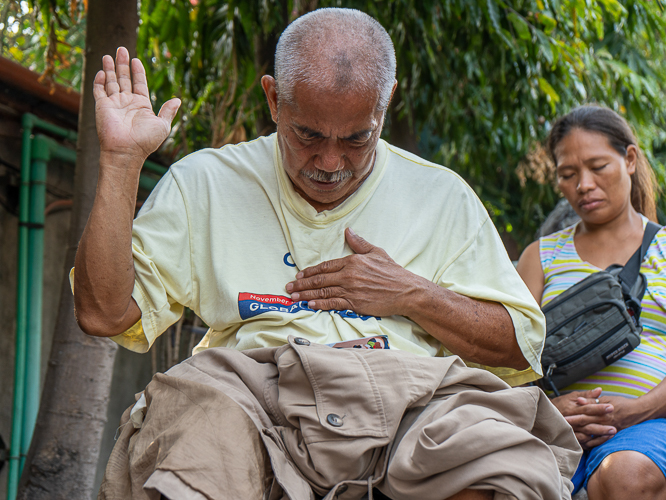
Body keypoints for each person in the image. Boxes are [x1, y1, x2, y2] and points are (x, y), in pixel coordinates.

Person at [74, 8, 580, 500]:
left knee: (500, 467)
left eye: (359, 138)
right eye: (308, 135)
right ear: (274, 100)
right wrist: (121, 162)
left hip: (410, 398)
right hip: (252, 391)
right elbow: (104, 314)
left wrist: (413, 295)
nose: (331, 162)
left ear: (386, 105)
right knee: (193, 446)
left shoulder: (442, 195)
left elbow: (520, 348)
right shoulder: (204, 181)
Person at [516, 105, 666, 500]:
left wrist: (639, 409)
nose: (583, 184)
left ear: (629, 160)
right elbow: (506, 355)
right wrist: (549, 410)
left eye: (598, 167)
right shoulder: (540, 257)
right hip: (552, 428)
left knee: (626, 475)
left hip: (649, 427)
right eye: (568, 174)